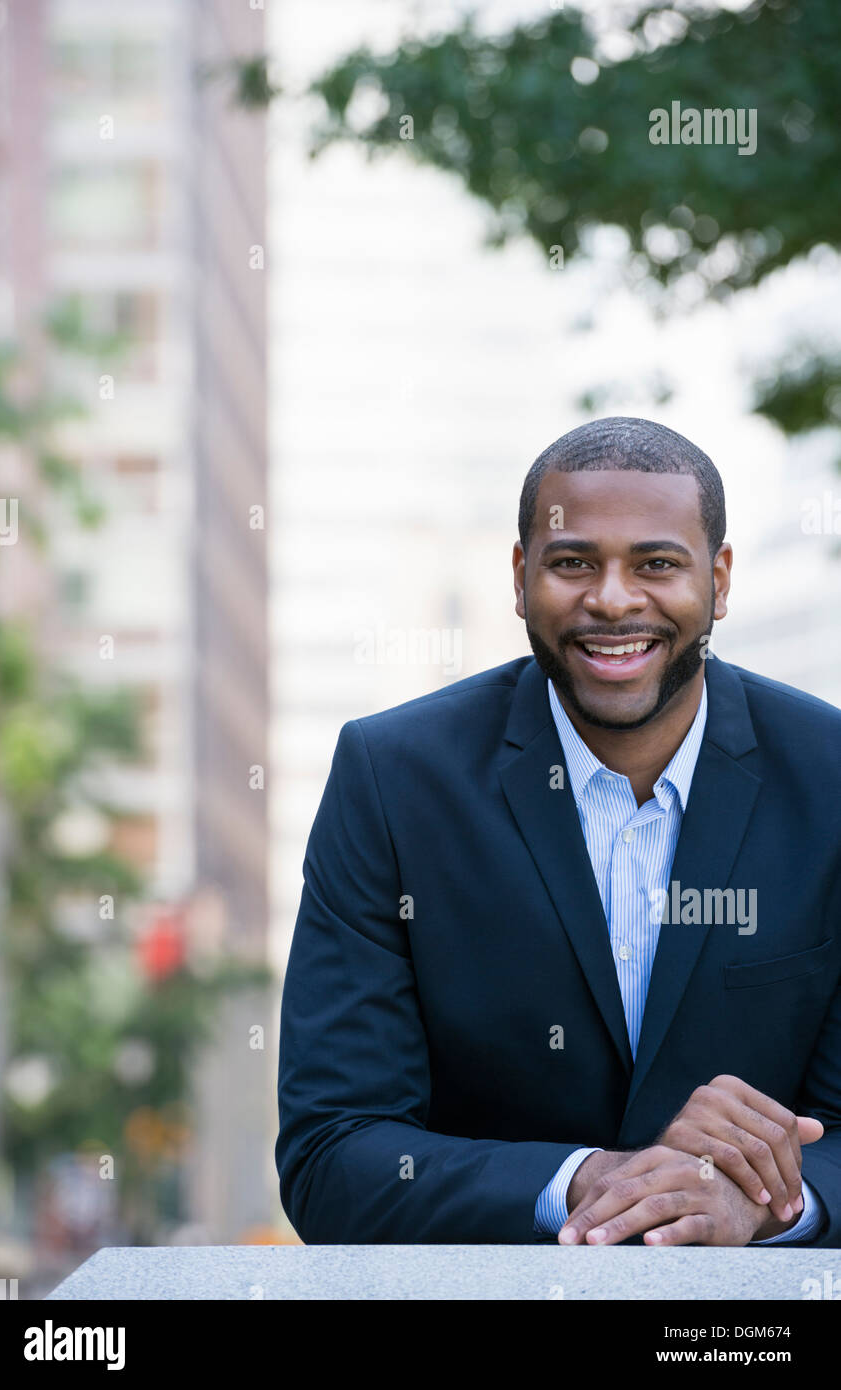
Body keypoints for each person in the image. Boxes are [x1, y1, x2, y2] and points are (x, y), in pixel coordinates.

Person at [276, 417, 841, 1247]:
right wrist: (582, 1179)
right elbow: (333, 1153)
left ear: (718, 581)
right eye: (573, 561)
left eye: (657, 563)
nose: (612, 600)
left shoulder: (829, 782)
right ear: (520, 576)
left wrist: (765, 1204)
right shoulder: (391, 780)